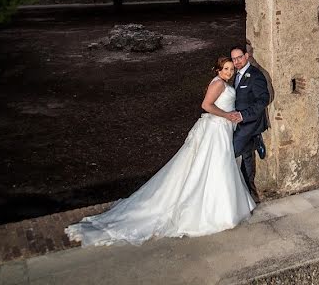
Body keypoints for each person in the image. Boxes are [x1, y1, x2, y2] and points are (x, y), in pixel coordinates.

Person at [64, 57, 255, 246]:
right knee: (217, 165)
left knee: (216, 167)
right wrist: (227, 116)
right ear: (218, 70)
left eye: (231, 69)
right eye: (226, 69)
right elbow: (206, 105)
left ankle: (219, 207)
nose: (229, 72)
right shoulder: (219, 84)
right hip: (216, 130)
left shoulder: (220, 82)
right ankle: (216, 211)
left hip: (219, 129)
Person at [225, 43, 270, 202]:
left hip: (249, 124)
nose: (236, 61)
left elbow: (263, 99)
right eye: (233, 59)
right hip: (238, 123)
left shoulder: (256, 75)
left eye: (239, 57)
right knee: (247, 157)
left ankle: (237, 195)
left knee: (229, 153)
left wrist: (244, 116)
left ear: (246, 56)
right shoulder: (235, 75)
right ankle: (250, 194)